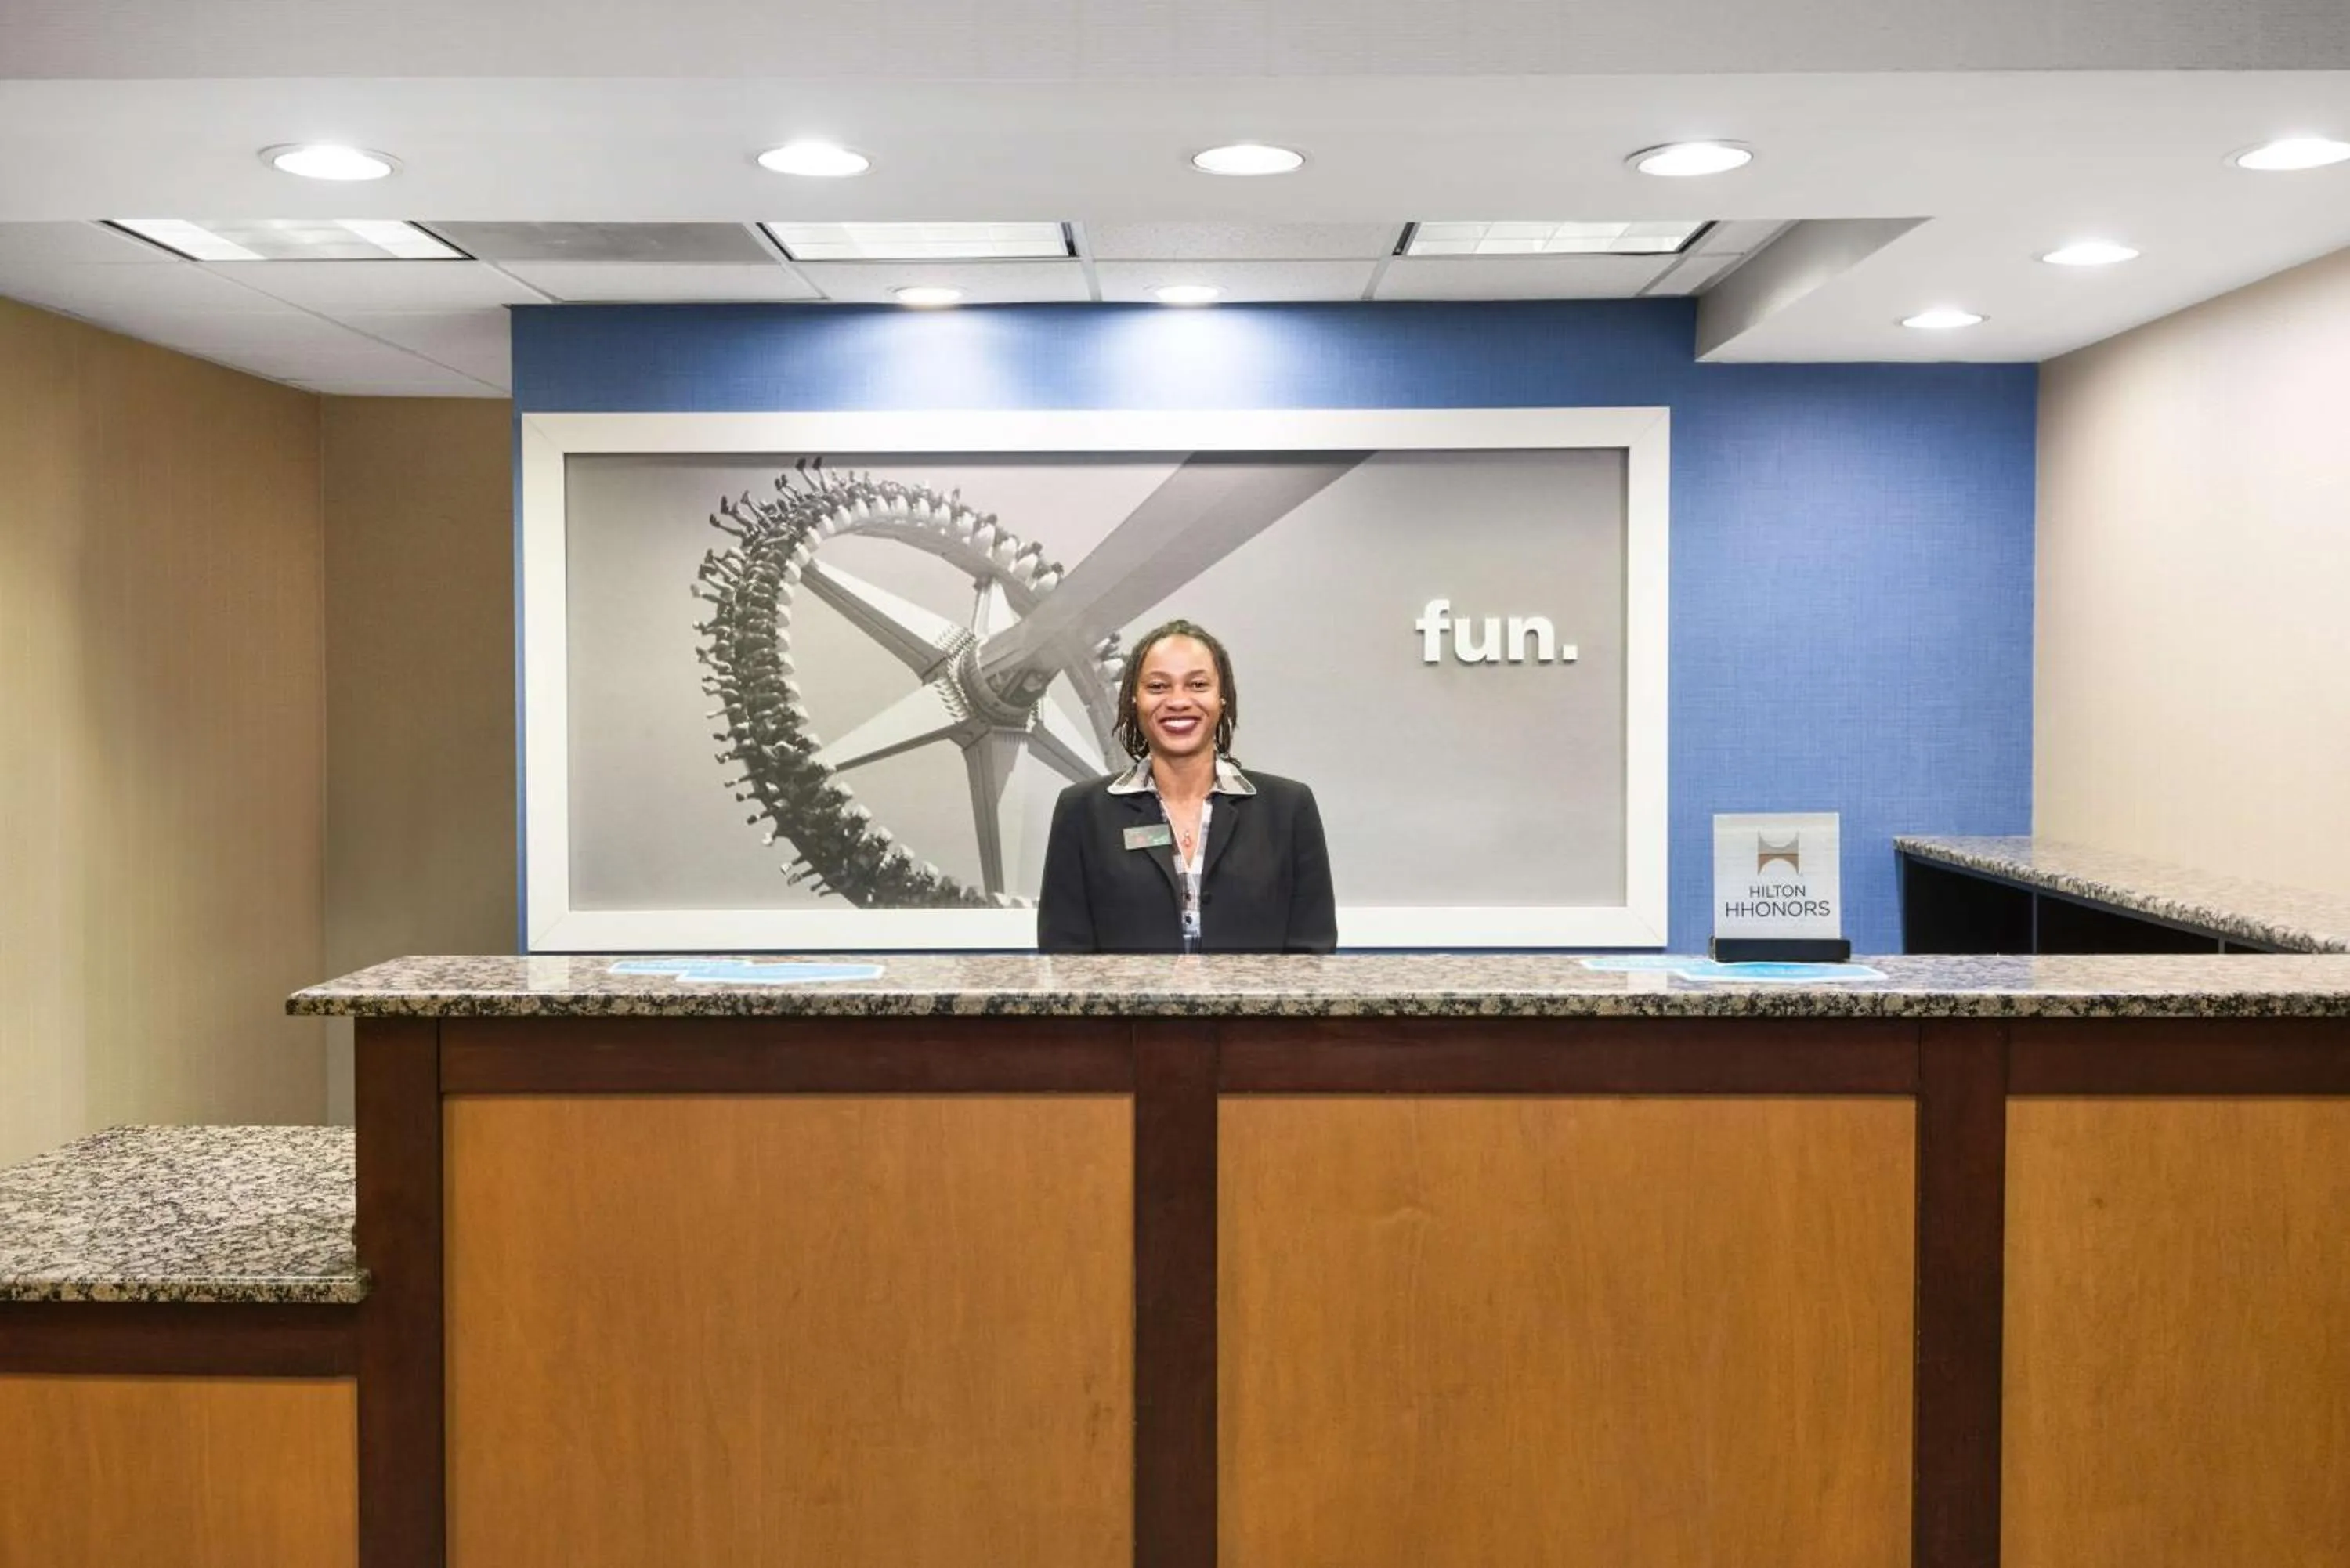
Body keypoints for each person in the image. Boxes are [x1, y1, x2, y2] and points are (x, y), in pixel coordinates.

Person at [1038, 619, 1336, 953]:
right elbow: (1064, 959)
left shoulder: (1288, 809)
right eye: (1158, 687)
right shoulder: (1082, 812)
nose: (1178, 701)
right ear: (1134, 700)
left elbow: (1313, 957)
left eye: (1197, 685)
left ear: (1222, 698)